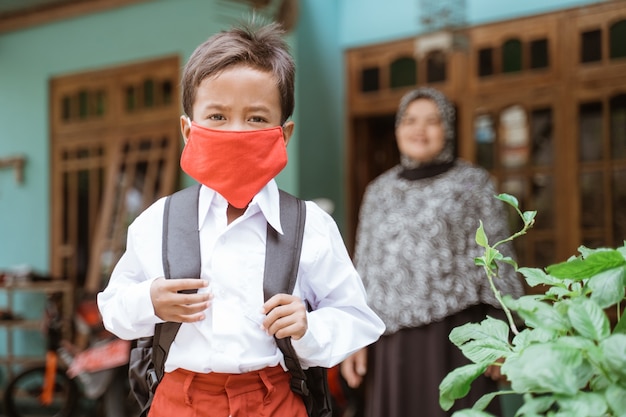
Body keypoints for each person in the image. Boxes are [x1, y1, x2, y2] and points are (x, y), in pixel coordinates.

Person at [97, 21, 385, 417]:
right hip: (179, 402)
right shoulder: (157, 221)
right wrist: (150, 301)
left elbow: (356, 318)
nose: (235, 132)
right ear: (188, 129)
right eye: (216, 116)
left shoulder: (311, 225)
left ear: (284, 134)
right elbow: (113, 309)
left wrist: (308, 327)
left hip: (277, 400)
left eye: (255, 118)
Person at [340, 87, 525, 417]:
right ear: (397, 128)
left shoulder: (473, 183)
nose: (419, 130)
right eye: (410, 120)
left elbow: (499, 258)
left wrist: (504, 333)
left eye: (432, 121)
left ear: (448, 128)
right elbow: (363, 268)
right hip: (392, 343)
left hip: (457, 337)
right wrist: (355, 336)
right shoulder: (379, 191)